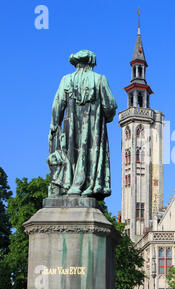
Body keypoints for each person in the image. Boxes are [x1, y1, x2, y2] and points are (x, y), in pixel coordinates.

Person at [48, 50, 117, 201]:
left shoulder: (66, 80)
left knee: (70, 153)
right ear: (91, 63)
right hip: (93, 131)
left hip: (70, 127)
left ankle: (68, 185)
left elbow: (57, 104)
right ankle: (87, 185)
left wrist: (55, 125)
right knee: (89, 154)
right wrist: (105, 118)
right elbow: (110, 106)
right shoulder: (99, 79)